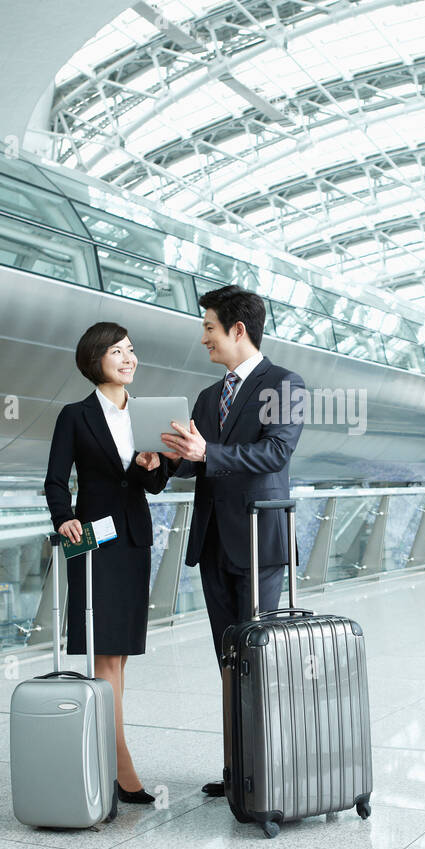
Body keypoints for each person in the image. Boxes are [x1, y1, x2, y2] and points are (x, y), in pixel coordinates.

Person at [161, 285, 305, 799]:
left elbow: (275, 454)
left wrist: (207, 454)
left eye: (208, 328)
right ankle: (239, 768)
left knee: (260, 658)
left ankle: (272, 772)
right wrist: (167, 459)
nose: (203, 339)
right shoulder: (207, 396)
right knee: (228, 661)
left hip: (258, 541)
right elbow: (196, 459)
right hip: (214, 545)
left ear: (237, 330)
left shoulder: (284, 384)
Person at [44, 322, 170, 805]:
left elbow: (154, 484)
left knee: (118, 656)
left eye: (132, 351)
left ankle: (113, 761)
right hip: (93, 542)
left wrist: (153, 467)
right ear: (95, 359)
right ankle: (119, 766)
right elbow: (56, 480)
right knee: (102, 655)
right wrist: (63, 519)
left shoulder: (146, 414)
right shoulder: (75, 416)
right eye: (117, 351)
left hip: (134, 540)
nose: (128, 359)